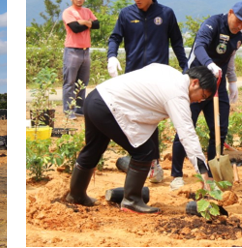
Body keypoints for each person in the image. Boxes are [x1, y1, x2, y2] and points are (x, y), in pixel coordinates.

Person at [64, 64, 217, 214]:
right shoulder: (178, 94)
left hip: (95, 98)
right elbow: (187, 134)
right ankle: (131, 200)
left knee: (94, 148)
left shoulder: (170, 72)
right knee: (145, 151)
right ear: (194, 83)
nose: (199, 101)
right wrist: (203, 171)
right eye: (202, 96)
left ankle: (76, 195)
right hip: (109, 107)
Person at [106, 0, 190, 184]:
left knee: (151, 119)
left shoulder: (166, 14)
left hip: (156, 76)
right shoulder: (126, 14)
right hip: (133, 75)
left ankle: (154, 164)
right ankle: (141, 159)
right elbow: (115, 37)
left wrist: (186, 68)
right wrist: (112, 56)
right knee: (131, 117)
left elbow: (177, 43)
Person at [167, 2, 242, 190]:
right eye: (239, 20)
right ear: (230, 13)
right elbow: (199, 46)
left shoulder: (240, 36)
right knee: (185, 127)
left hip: (217, 84)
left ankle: (211, 173)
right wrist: (209, 64)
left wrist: (232, 81)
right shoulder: (213, 23)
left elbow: (229, 59)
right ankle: (176, 174)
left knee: (219, 129)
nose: (240, 26)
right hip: (196, 83)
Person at [62, 0, 99, 119]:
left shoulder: (87, 10)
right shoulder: (68, 12)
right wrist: (87, 23)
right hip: (72, 50)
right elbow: (75, 28)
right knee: (70, 82)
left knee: (82, 83)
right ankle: (68, 110)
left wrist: (84, 22)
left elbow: (97, 24)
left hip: (85, 51)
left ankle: (79, 109)